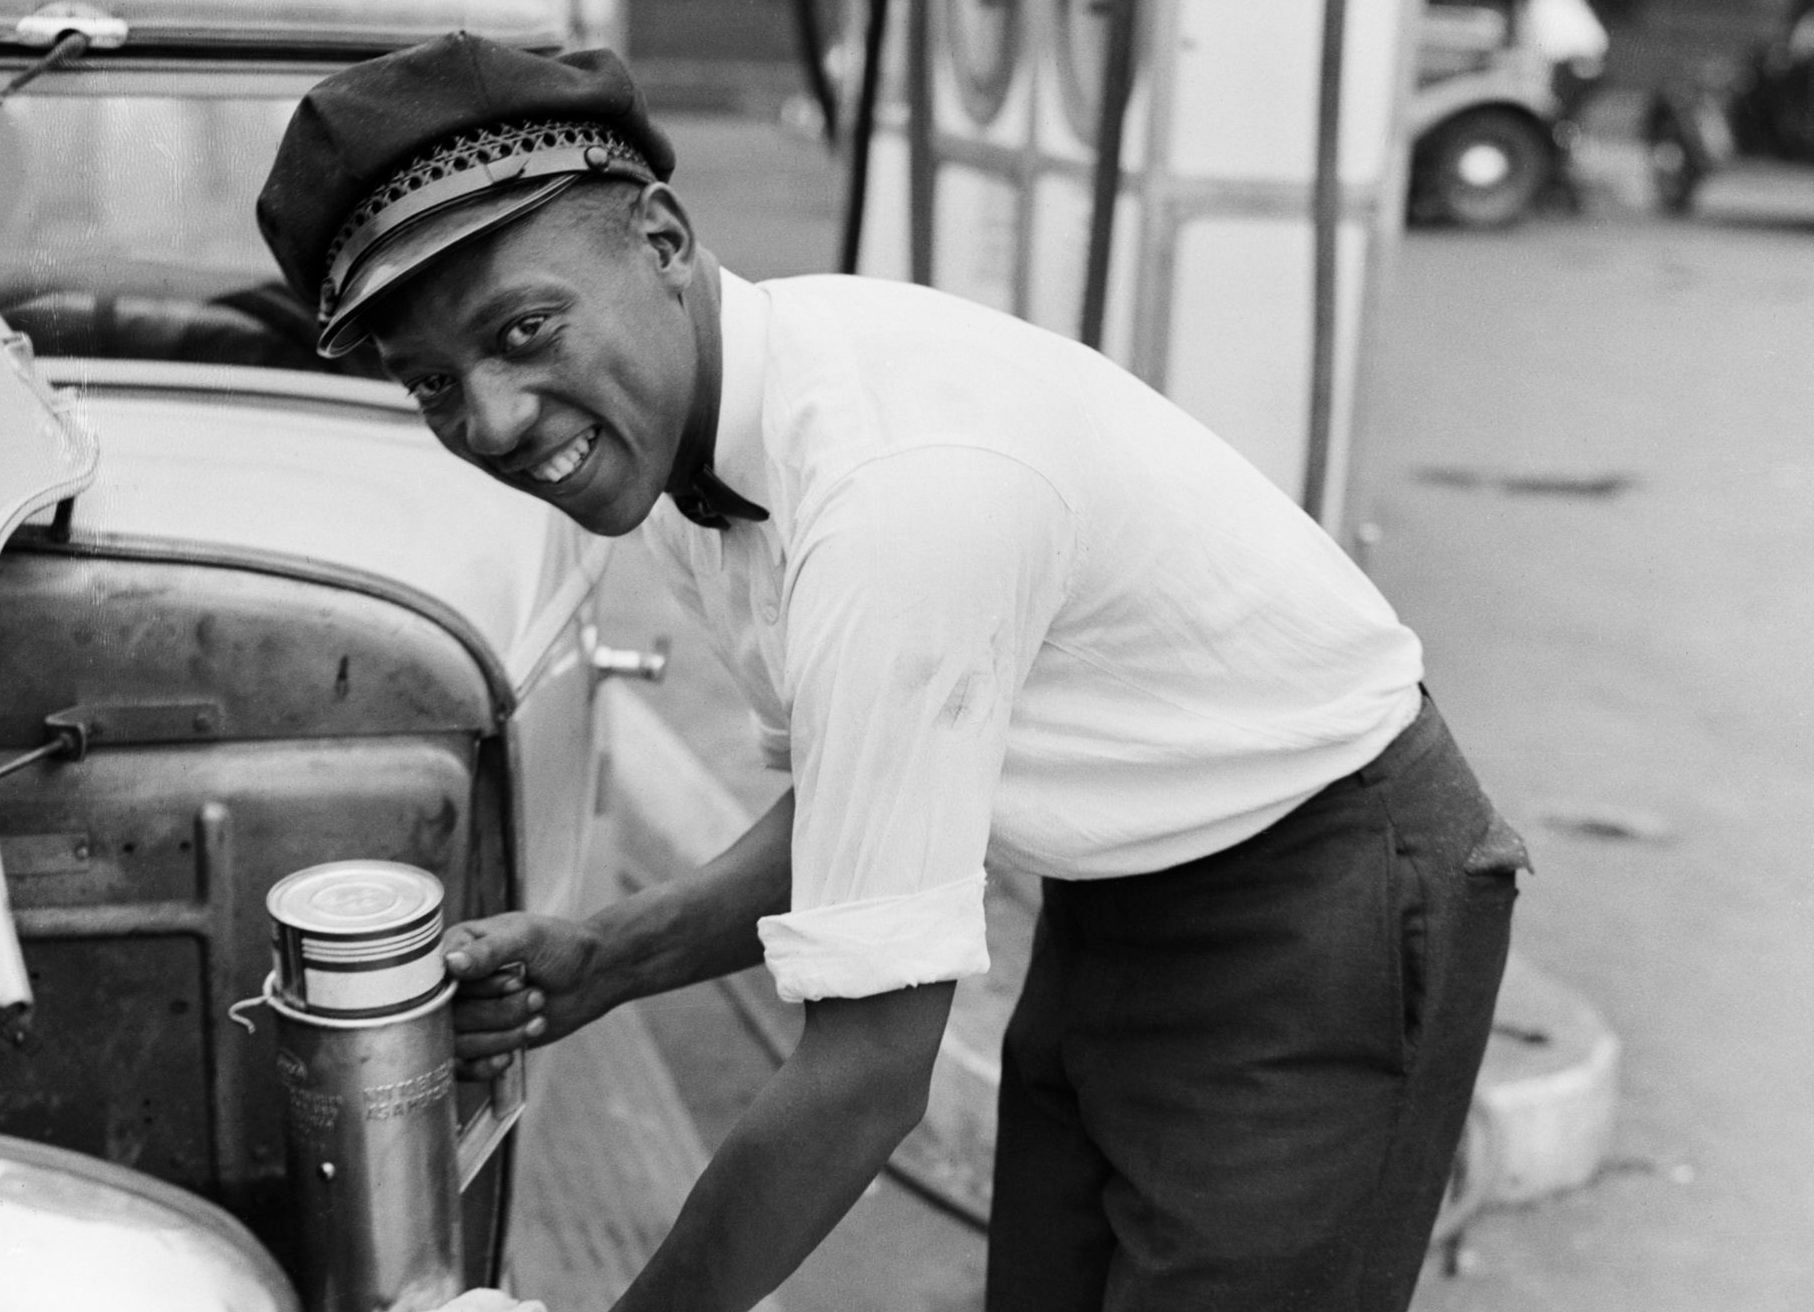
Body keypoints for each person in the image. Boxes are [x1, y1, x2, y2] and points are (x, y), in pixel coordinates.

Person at [257, 32, 1528, 1312]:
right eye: (432, 384)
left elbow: (865, 1074)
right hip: (1116, 890)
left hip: (1327, 891)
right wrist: (607, 956)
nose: (492, 419)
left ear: (658, 237)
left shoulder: (890, 495)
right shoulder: (684, 446)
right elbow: (859, 797)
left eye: (524, 328)